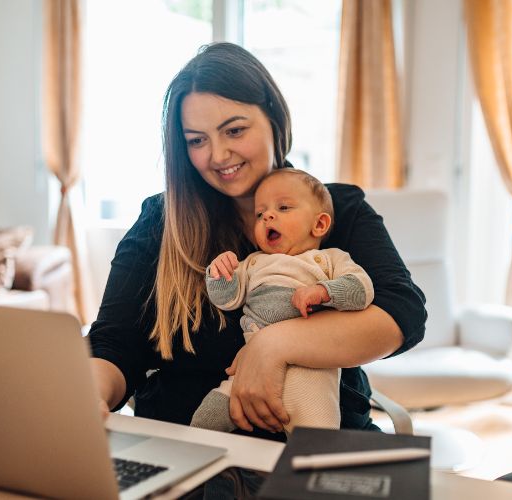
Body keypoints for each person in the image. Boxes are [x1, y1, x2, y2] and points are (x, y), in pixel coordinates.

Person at [88, 42, 427, 441]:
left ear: (274, 117)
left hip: (319, 446)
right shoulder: (160, 222)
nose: (218, 155)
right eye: (196, 140)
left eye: (234, 130)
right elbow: (114, 344)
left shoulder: (337, 210)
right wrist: (88, 398)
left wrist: (273, 345)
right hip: (187, 447)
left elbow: (402, 314)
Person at [191, 168, 375, 434]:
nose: (267, 215)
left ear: (319, 224)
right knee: (207, 419)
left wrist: (324, 291)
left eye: (284, 207)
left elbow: (362, 290)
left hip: (311, 370)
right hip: (250, 368)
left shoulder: (330, 259)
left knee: (317, 442)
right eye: (259, 213)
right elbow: (226, 300)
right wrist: (219, 272)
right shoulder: (254, 262)